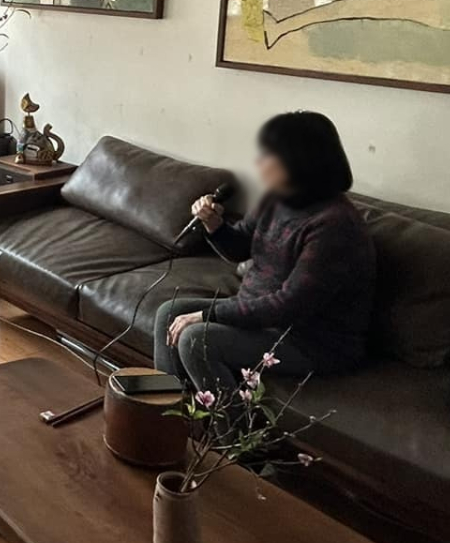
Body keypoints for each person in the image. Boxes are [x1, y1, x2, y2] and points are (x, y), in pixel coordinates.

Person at [153, 111, 376, 392]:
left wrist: (209, 315)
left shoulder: (335, 226)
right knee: (168, 313)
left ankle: (225, 421)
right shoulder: (276, 199)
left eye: (269, 155)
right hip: (261, 317)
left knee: (196, 338)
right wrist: (214, 224)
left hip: (311, 341)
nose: (259, 162)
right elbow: (239, 248)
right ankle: (167, 406)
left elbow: (287, 306)